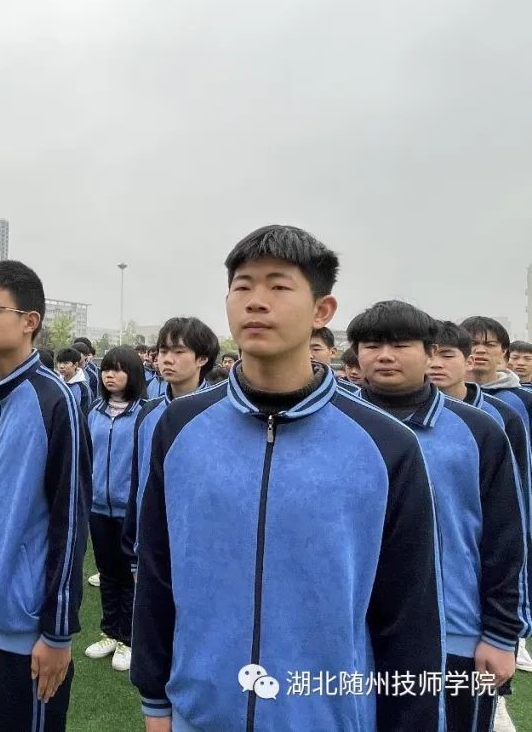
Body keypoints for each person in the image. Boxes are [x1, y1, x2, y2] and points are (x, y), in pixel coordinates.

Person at [133, 225, 444, 730]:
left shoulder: (386, 444)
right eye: (243, 286)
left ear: (323, 310)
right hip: (200, 714)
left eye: (278, 286)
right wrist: (155, 700)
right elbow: (157, 568)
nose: (256, 301)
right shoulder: (179, 426)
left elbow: (409, 615)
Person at [351, 301, 523, 729]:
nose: (385, 356)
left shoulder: (479, 429)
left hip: (456, 630)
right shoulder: (334, 425)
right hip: (350, 632)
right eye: (372, 345)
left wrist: (502, 634)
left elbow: (506, 537)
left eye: (400, 345)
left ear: (429, 352)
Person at [0, 260, 91, 732]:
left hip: (26, 630)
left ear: (30, 321)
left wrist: (57, 632)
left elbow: (69, 524)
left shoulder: (56, 403)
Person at [428, 320, 532, 679]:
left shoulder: (503, 413)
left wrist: (507, 623)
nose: (436, 363)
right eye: (431, 354)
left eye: (447, 354)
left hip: (475, 580)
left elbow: (514, 513)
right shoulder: (392, 416)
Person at [123, 316, 219, 564]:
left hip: (201, 542)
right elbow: (138, 480)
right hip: (152, 540)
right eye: (163, 351)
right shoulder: (148, 412)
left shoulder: (219, 413)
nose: (167, 359)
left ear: (202, 358)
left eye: (178, 351)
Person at [83, 346, 146, 674]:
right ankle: (109, 632)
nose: (110, 374)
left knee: (129, 574)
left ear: (132, 374)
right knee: (107, 572)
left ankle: (129, 638)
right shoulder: (94, 411)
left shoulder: (144, 413)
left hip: (129, 510)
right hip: (98, 507)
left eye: (118, 369)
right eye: (106, 368)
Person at [55, 346, 92, 411]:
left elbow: (86, 412)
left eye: (66, 363)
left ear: (75, 364)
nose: (61, 366)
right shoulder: (56, 383)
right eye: (59, 363)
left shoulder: (83, 388)